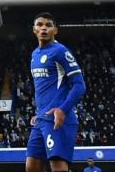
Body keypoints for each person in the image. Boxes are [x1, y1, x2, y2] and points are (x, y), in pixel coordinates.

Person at [25, 13, 86, 172]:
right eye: (39, 24)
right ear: (34, 30)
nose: (44, 28)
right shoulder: (34, 55)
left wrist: (62, 109)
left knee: (57, 167)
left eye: (48, 25)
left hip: (58, 119)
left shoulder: (60, 51)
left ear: (55, 30)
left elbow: (79, 85)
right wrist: (39, 113)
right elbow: (44, 88)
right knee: (31, 167)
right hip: (41, 119)